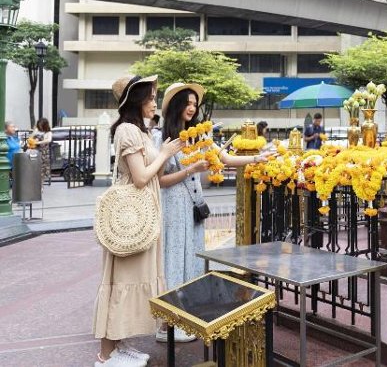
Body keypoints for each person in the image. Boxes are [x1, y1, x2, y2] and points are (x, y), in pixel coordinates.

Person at [154, 83, 275, 343]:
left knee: (193, 258)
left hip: (194, 206)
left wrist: (256, 159)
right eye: (187, 103)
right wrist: (191, 169)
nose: (192, 108)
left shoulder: (200, 136)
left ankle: (186, 318)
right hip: (173, 206)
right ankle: (166, 325)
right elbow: (160, 181)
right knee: (174, 259)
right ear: (176, 105)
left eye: (194, 103)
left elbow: (226, 159)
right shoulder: (164, 139)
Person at [93, 74, 183, 367]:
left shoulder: (142, 131)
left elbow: (154, 173)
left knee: (132, 279)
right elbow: (141, 178)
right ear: (136, 99)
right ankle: (105, 355)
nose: (155, 103)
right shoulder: (127, 131)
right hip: (130, 215)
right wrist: (165, 153)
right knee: (122, 281)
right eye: (151, 97)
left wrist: (166, 155)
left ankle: (120, 346)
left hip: (144, 214)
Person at [32, 118, 53, 185]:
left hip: (43, 153)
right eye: (39, 124)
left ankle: (41, 185)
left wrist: (38, 142)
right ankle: (35, 185)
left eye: (41, 125)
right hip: (35, 152)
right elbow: (30, 138)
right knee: (35, 169)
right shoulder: (37, 130)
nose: (40, 126)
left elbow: (48, 140)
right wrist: (34, 131)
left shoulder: (48, 132)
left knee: (42, 170)